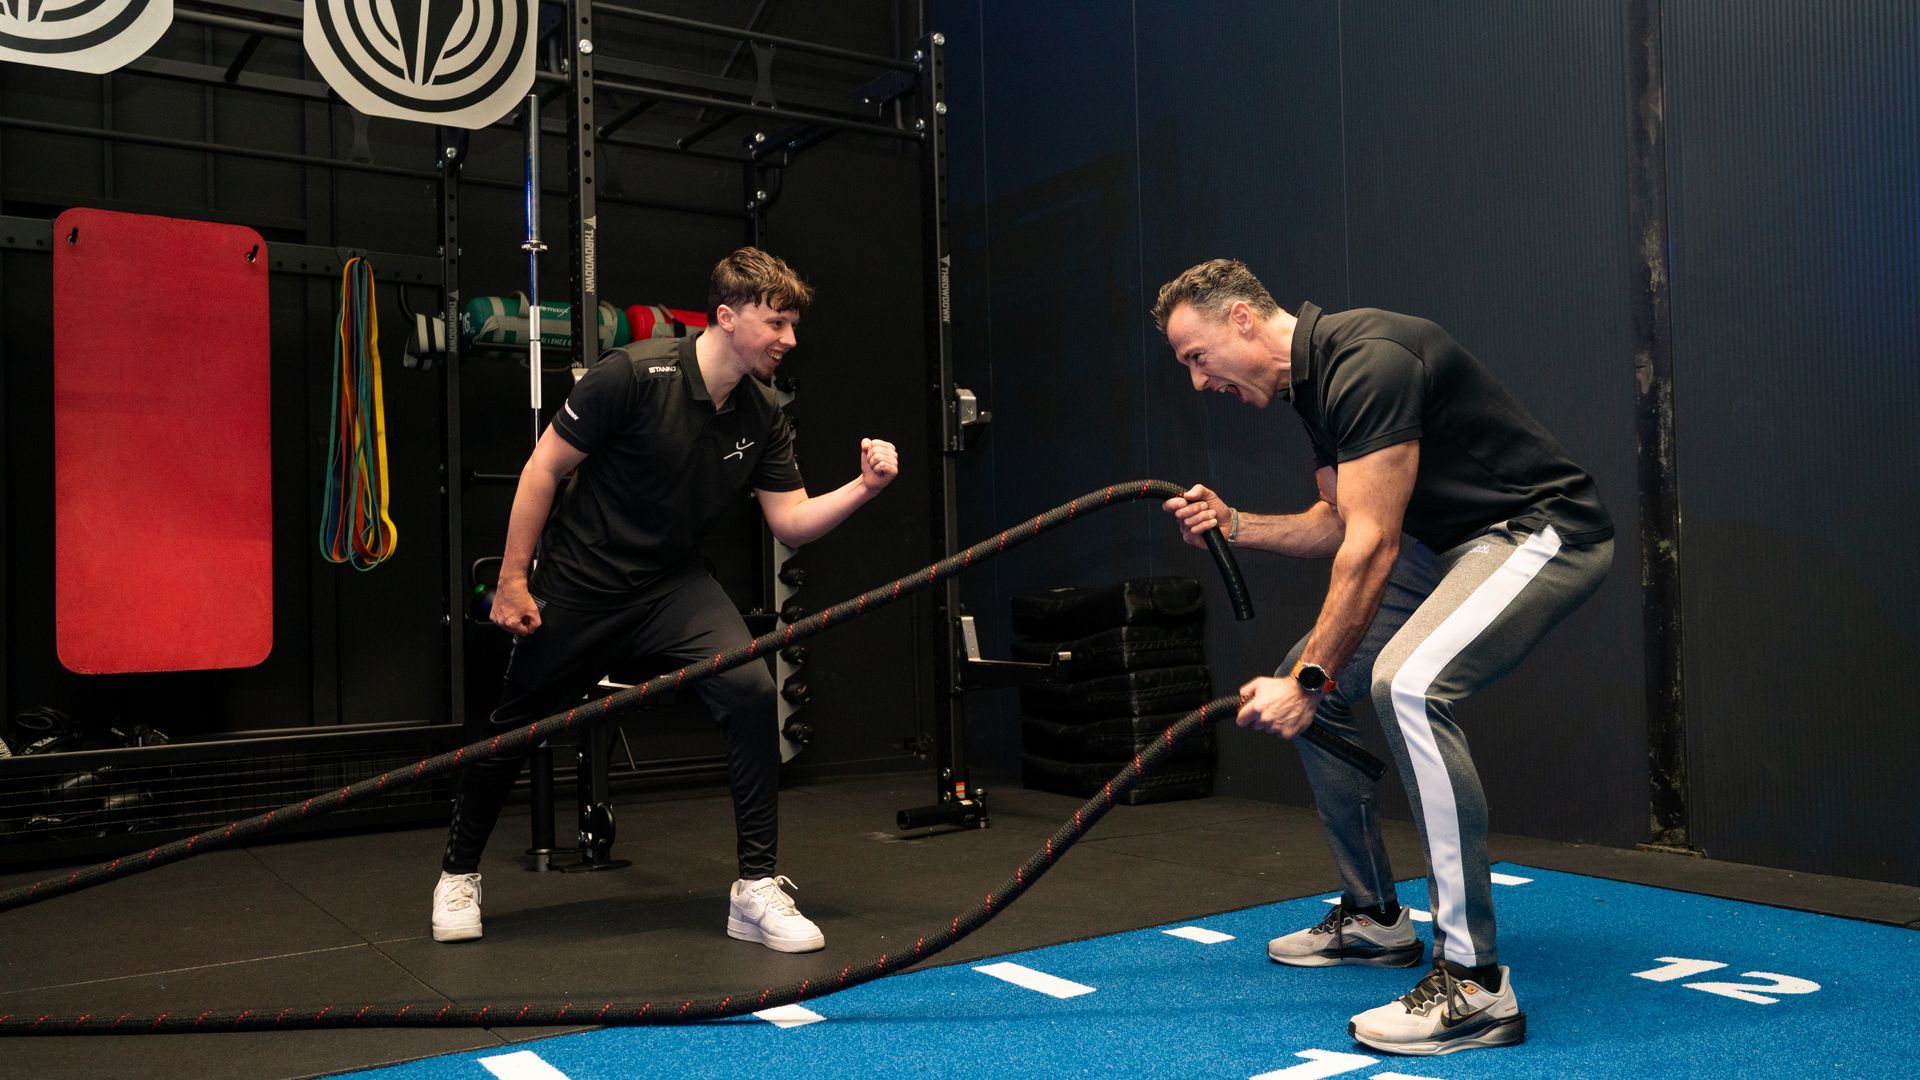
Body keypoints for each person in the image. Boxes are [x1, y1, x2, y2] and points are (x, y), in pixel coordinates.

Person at [1153, 259, 1613, 1056]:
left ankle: (1474, 984)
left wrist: (1306, 680)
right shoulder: (1317, 389)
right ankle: (1373, 916)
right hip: (1447, 551)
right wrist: (1237, 524)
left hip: (1543, 532)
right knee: (1321, 684)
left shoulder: (1370, 361)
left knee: (1407, 685)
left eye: (1196, 357)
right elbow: (1341, 522)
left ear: (1240, 321)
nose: (1198, 383)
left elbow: (1370, 548)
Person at [431, 248, 899, 953]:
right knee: (515, 729)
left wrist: (864, 488)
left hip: (672, 586)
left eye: (793, 325)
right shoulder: (631, 376)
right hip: (582, 581)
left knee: (748, 691)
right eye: (776, 322)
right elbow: (543, 468)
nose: (789, 339)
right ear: (726, 316)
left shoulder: (762, 414)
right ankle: (458, 872)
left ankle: (756, 889)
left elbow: (790, 521)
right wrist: (513, 580)